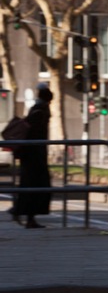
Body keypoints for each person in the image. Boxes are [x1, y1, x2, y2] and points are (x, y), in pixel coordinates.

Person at [13, 84, 53, 229]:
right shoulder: (40, 111)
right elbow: (35, 133)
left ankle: (21, 211)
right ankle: (27, 215)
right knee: (36, 185)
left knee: (30, 184)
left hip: (30, 154)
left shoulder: (36, 109)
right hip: (35, 154)